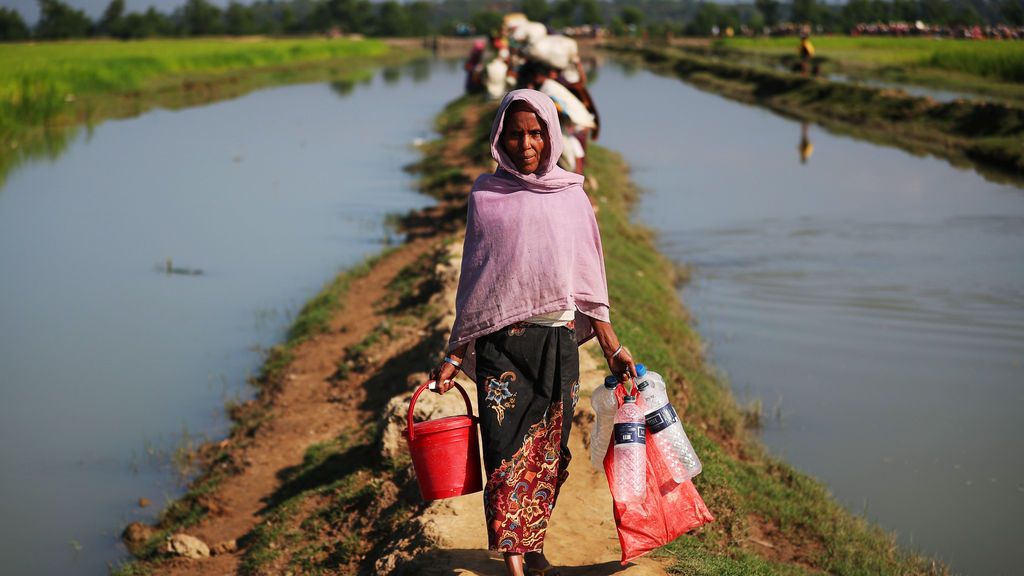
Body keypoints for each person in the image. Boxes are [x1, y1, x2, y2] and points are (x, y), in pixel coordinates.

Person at [429, 90, 637, 576]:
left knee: (550, 451)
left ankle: (534, 541)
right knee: (504, 452)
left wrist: (612, 347)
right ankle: (515, 558)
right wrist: (456, 355)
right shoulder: (486, 196)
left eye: (536, 133)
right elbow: (475, 284)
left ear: (551, 136)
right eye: (516, 134)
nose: (527, 144)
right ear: (500, 137)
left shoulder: (571, 197)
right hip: (502, 347)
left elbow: (588, 281)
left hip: (557, 344)